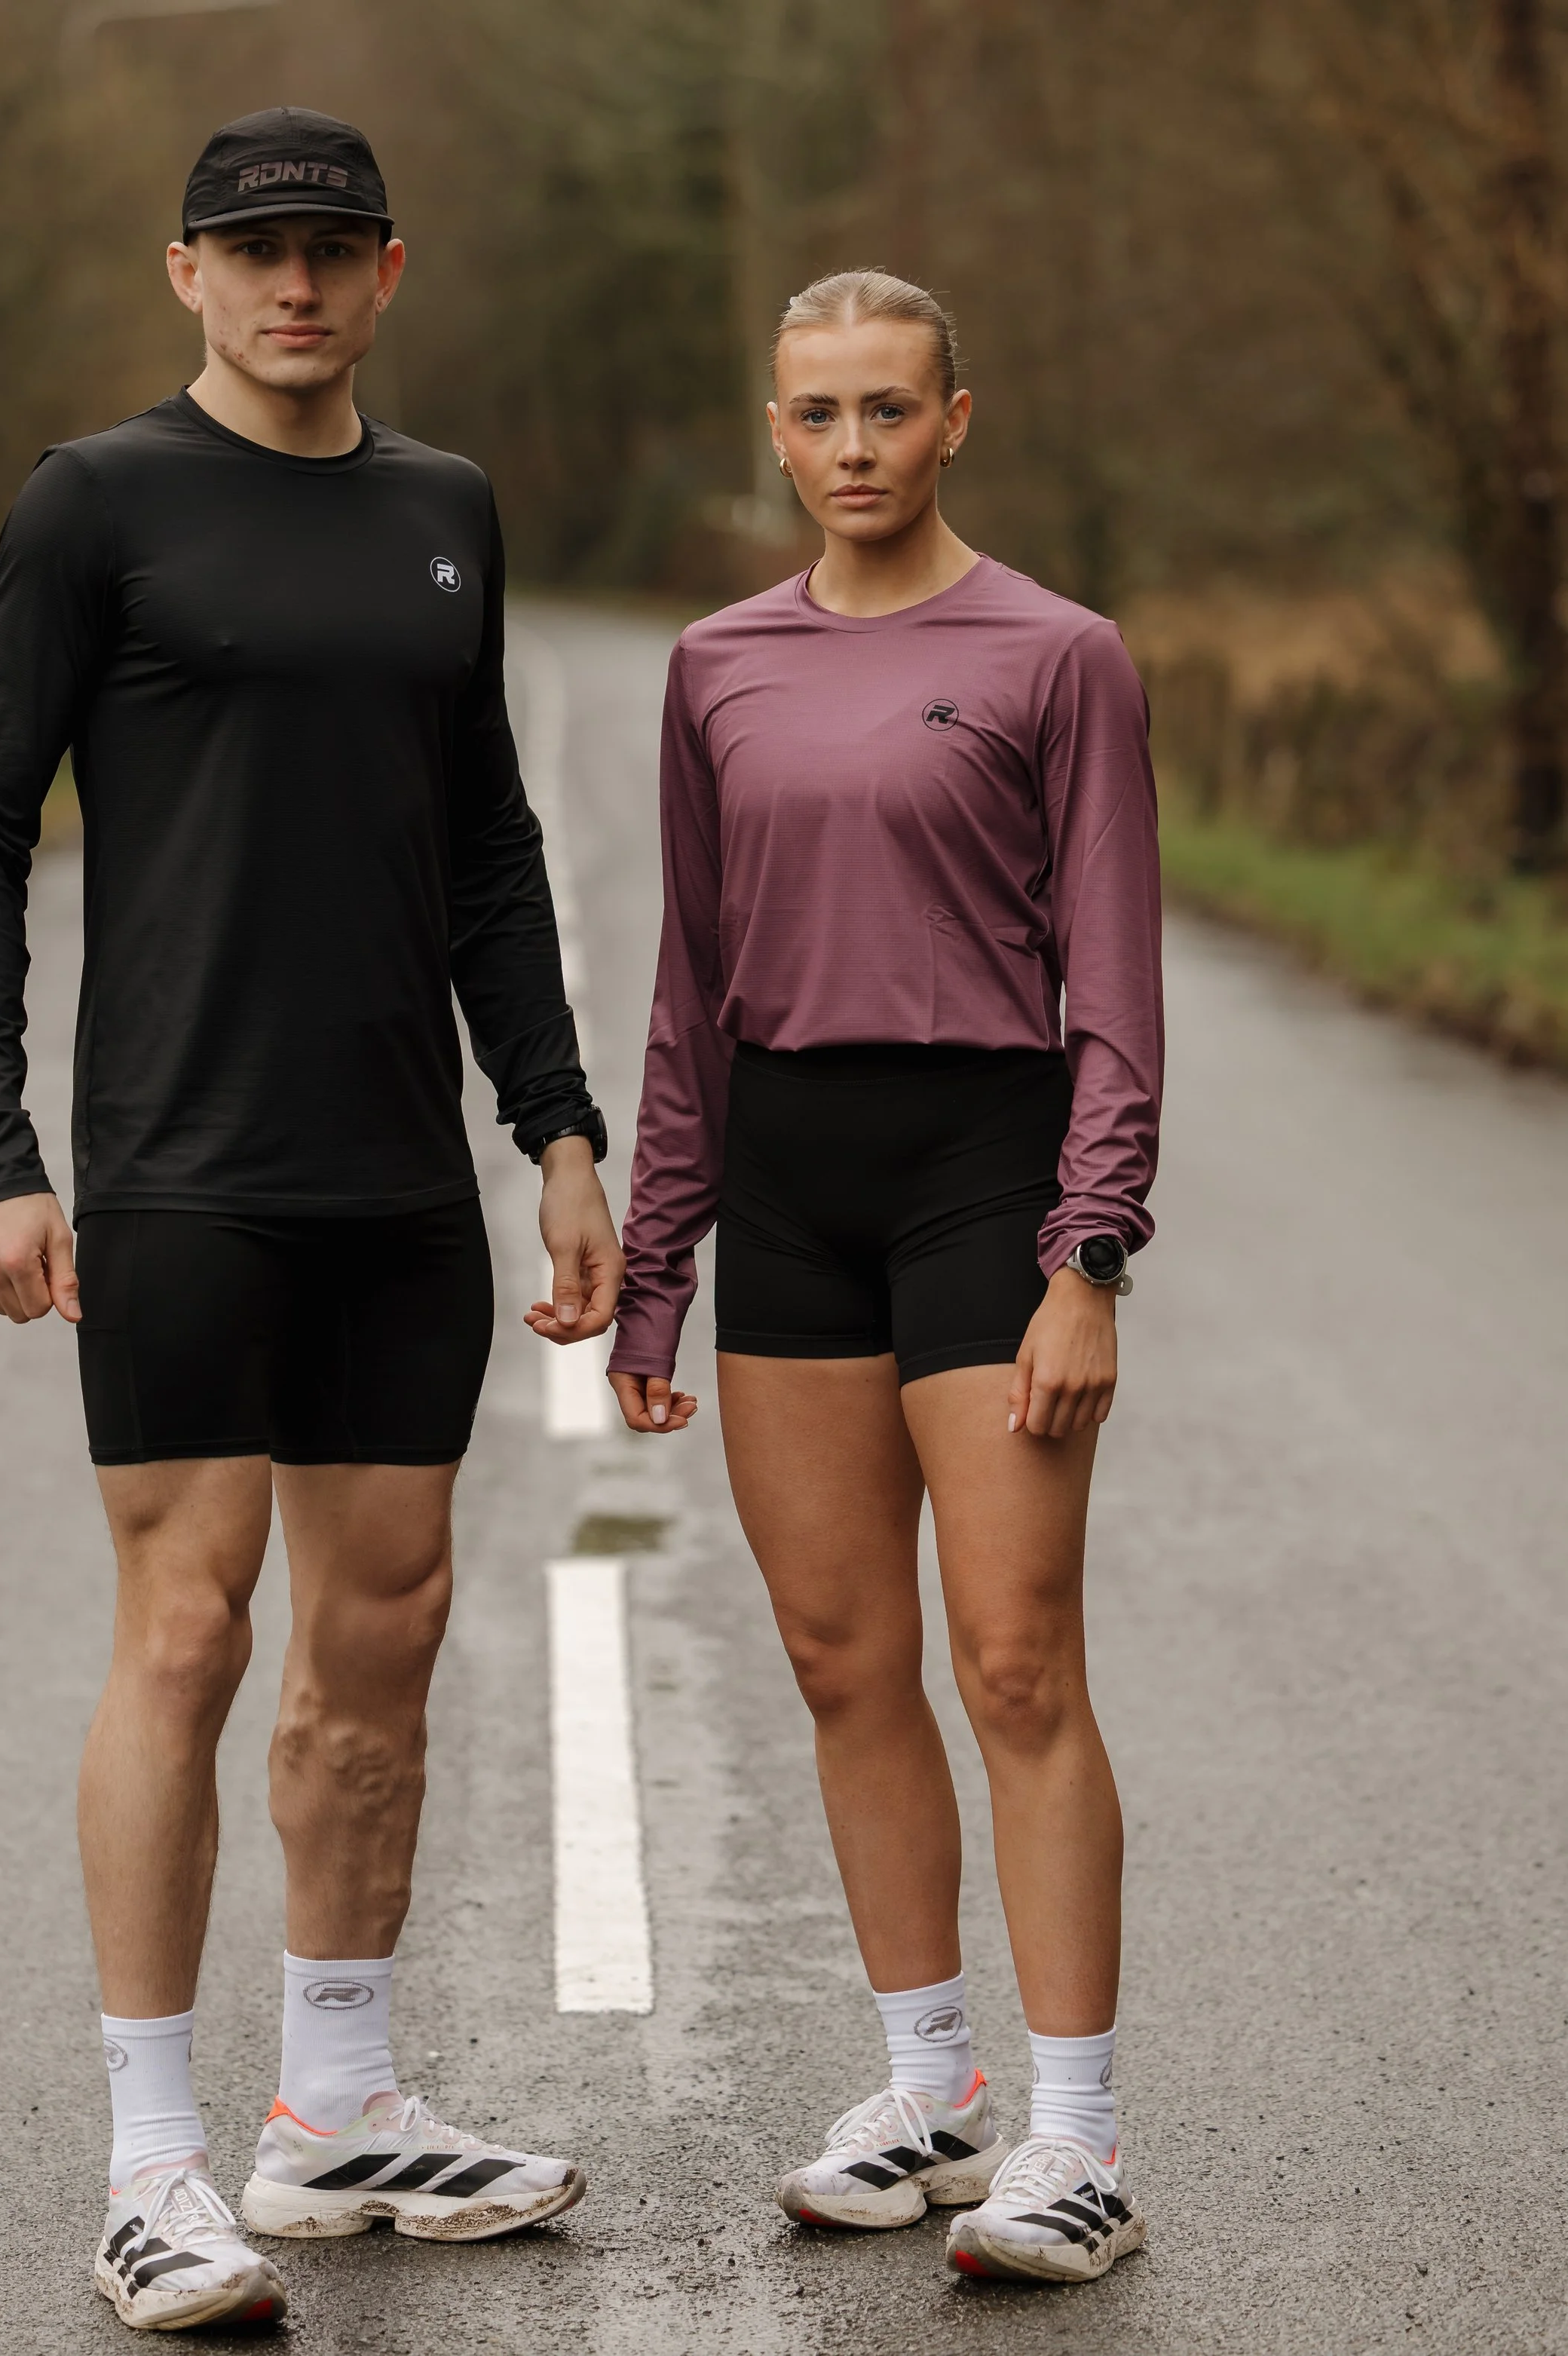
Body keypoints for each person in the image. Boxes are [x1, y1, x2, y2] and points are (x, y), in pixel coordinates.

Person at [0, 107, 617, 2333]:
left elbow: (486, 842)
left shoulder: (442, 513)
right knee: (190, 1630)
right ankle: (151, 2159)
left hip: (395, 1174)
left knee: (382, 1636)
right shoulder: (96, 502)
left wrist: (558, 1123)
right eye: (255, 251)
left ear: (387, 271)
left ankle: (332, 2110)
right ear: (188, 274)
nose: (293, 284)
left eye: (330, 249)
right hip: (175, 1167)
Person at [607, 270, 1162, 2285]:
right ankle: (927, 2090)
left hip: (981, 1177)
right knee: (844, 1660)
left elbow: (1114, 980)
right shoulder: (713, 665)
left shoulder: (1057, 655)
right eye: (815, 413)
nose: (850, 446)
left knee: (1014, 1658)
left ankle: (1075, 2134)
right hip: (788, 1186)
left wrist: (1086, 1248)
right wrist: (657, 1257)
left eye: (885, 410)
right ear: (775, 432)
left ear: (953, 420)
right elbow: (690, 982)